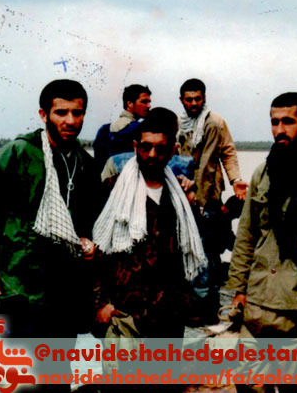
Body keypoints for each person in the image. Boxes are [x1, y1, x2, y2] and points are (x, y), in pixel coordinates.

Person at [0, 79, 102, 339]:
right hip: (20, 286)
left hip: (65, 290)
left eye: (77, 113)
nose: (70, 121)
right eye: (61, 112)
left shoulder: (86, 164)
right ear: (43, 115)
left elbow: (92, 220)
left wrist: (89, 241)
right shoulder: (19, 153)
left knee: (58, 363)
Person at [226, 92, 297, 393]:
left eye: (288, 121)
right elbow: (246, 235)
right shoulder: (263, 172)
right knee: (247, 384)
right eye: (274, 122)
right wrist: (239, 290)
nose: (279, 130)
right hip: (258, 304)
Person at [92, 107, 206, 339]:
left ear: (173, 151)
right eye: (146, 147)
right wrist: (101, 304)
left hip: (168, 317)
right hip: (123, 316)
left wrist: (193, 203)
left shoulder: (180, 196)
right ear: (136, 147)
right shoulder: (113, 190)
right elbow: (97, 251)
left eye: (160, 149)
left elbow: (192, 249)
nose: (152, 154)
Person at [177, 78, 248, 324]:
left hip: (209, 197)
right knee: (186, 251)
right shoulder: (179, 125)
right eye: (189, 99)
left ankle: (209, 309)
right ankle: (190, 306)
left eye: (198, 98)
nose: (193, 103)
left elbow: (228, 151)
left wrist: (236, 180)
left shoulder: (215, 122)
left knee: (209, 254)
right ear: (181, 100)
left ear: (204, 98)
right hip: (183, 197)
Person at [93, 84, 152, 169]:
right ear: (130, 103)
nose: (149, 106)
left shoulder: (104, 129)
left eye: (149, 102)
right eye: (144, 102)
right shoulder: (140, 129)